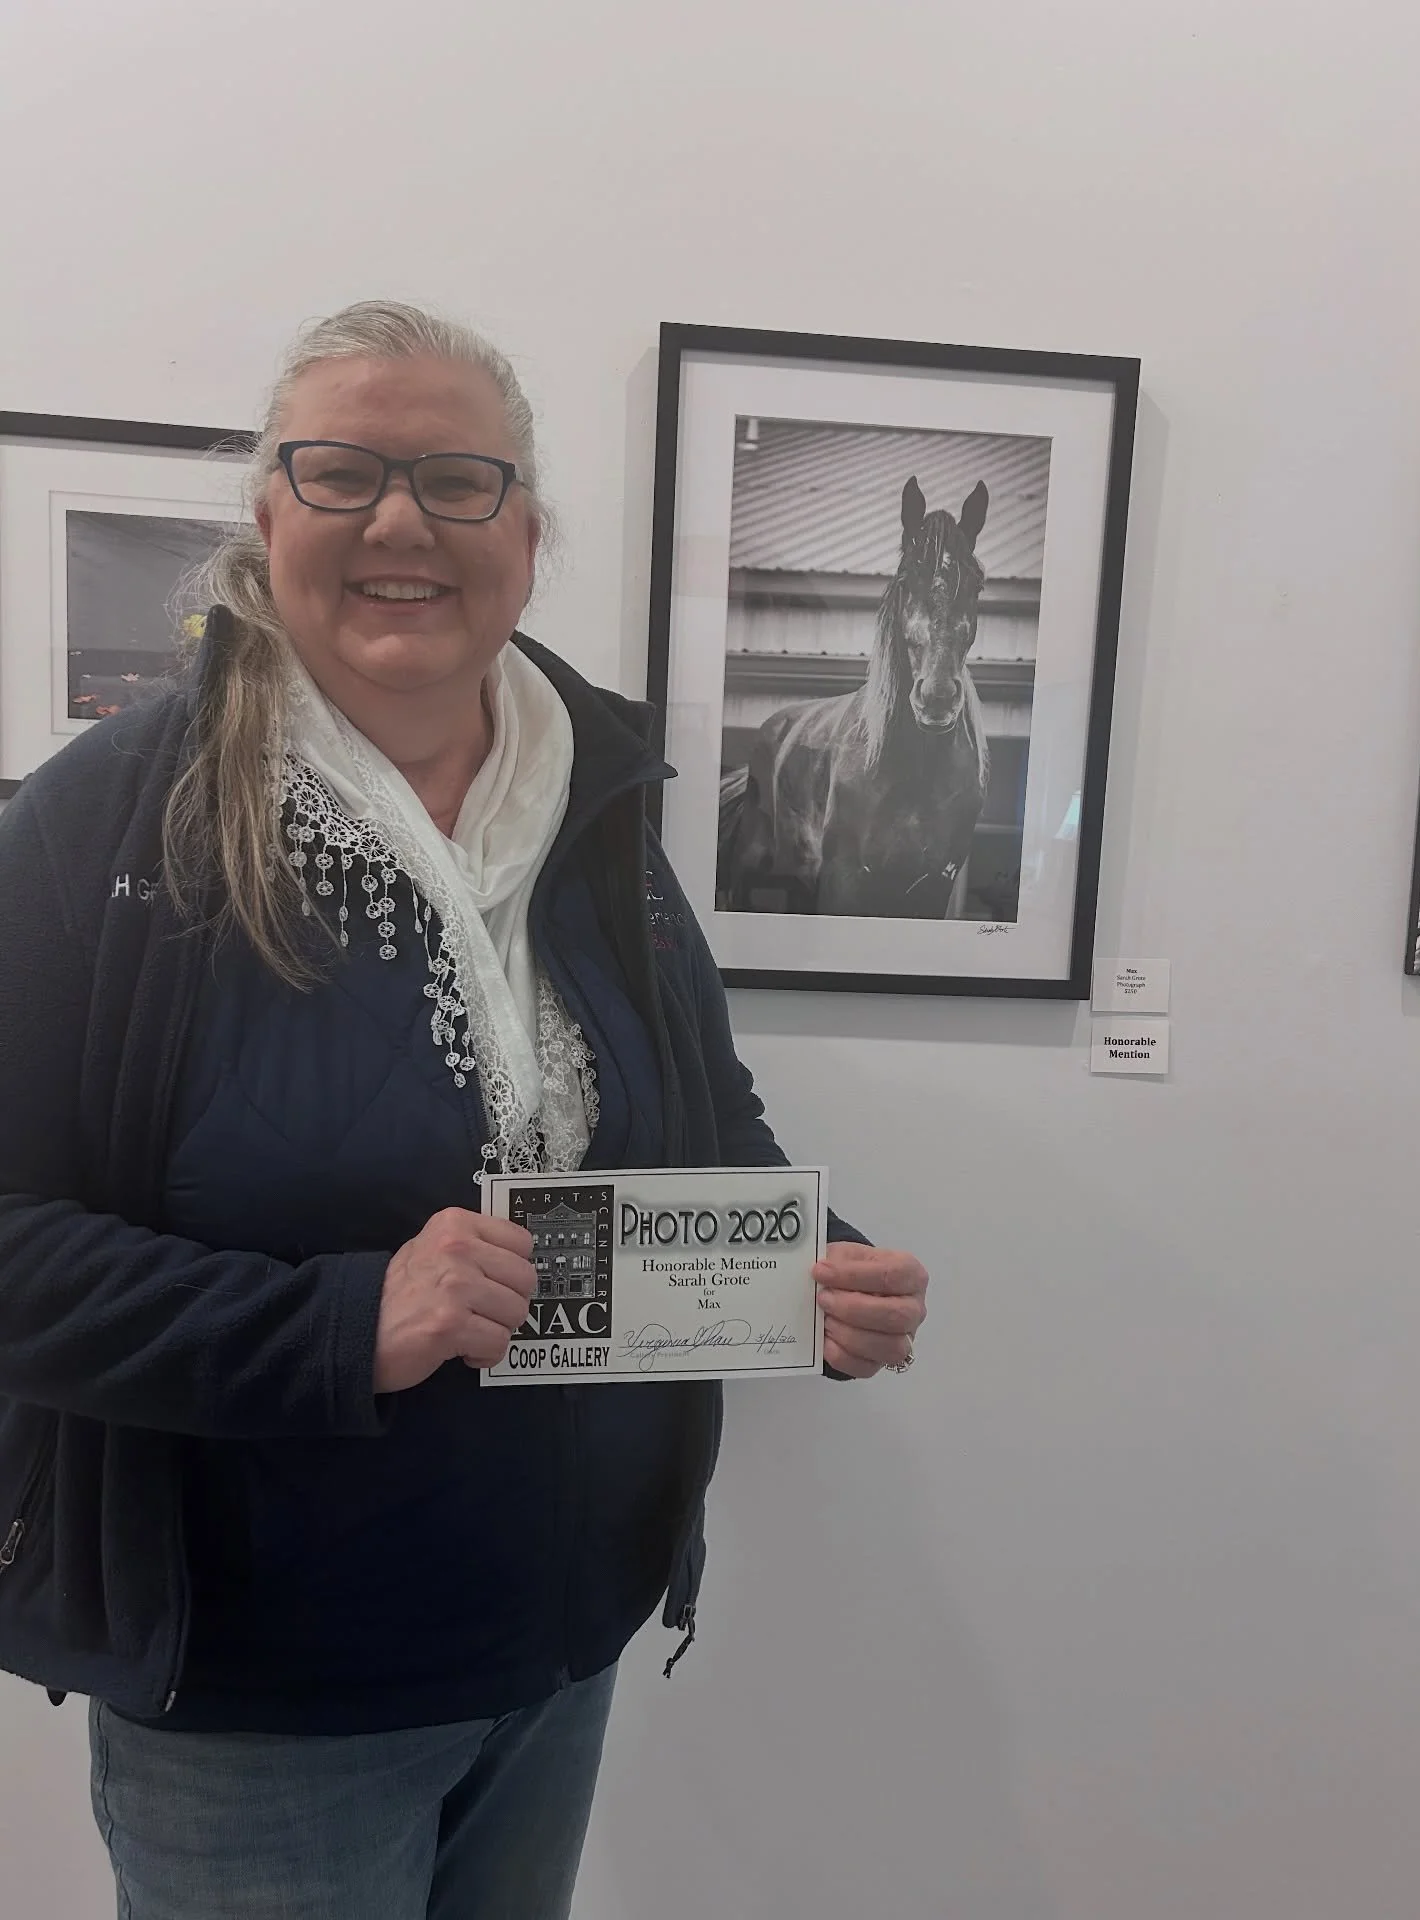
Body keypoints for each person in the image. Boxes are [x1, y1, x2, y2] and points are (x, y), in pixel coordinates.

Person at [0, 300, 928, 1920]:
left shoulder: (603, 808)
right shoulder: (111, 824)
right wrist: (352, 1317)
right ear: (271, 515)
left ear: (529, 530)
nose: (400, 522)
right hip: (261, 1701)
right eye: (342, 472)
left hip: (560, 1651)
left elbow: (704, 1110)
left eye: (456, 479)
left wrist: (813, 1266)